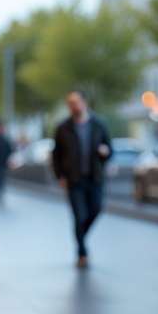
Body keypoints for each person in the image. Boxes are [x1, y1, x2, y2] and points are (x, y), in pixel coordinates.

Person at [52, 87, 112, 268]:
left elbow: (110, 149)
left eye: (75, 103)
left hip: (94, 178)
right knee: (79, 216)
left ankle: (80, 236)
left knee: (95, 210)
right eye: (69, 104)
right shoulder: (63, 128)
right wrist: (60, 176)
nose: (72, 106)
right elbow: (56, 155)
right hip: (74, 180)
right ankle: (82, 251)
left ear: (84, 102)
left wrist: (105, 153)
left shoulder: (98, 125)